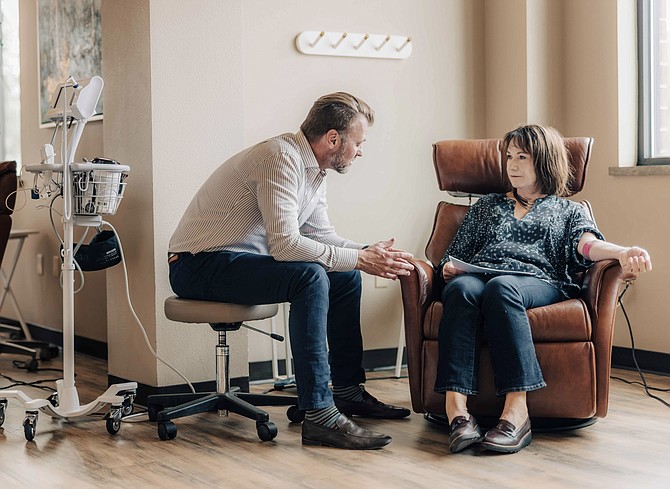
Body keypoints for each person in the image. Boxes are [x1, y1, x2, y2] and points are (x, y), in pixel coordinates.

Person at [168, 92, 414, 450]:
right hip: (197, 264)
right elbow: (285, 246)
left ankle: (345, 390)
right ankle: (318, 413)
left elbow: (319, 236)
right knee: (310, 275)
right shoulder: (278, 158)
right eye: (358, 143)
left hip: (236, 262)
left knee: (344, 275)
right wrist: (361, 259)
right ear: (333, 138)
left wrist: (365, 253)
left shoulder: (315, 170)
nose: (360, 151)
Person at [434, 124, 652, 454]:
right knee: (461, 289)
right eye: (509, 156)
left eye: (522, 157)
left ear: (545, 161)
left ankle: (516, 412)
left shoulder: (567, 210)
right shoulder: (488, 206)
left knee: (501, 288)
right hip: (479, 275)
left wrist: (622, 252)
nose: (512, 164)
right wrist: (450, 267)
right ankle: (457, 412)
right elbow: (456, 253)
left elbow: (588, 246)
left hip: (536, 280)